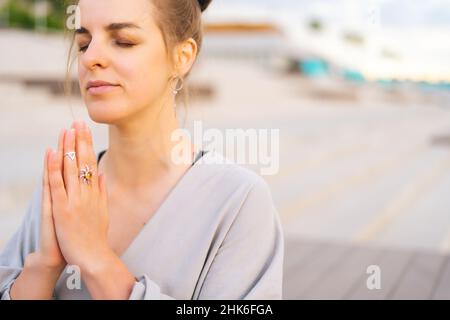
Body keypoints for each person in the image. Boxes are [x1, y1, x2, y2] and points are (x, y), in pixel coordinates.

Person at [0, 0, 284, 300]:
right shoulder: (63, 189)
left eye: (123, 41)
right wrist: (44, 265)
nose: (91, 58)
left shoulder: (238, 201)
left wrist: (95, 258)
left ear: (182, 57)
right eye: (84, 43)